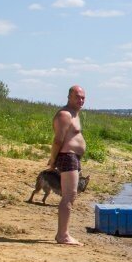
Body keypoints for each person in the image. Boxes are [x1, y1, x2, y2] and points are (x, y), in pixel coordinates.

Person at [46, 85, 86, 245]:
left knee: (70, 195)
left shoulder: (75, 114)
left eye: (83, 97)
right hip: (67, 157)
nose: (81, 100)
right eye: (77, 96)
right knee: (69, 196)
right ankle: (63, 235)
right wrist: (52, 160)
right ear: (69, 96)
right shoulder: (64, 114)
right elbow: (58, 139)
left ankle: (63, 233)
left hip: (72, 157)